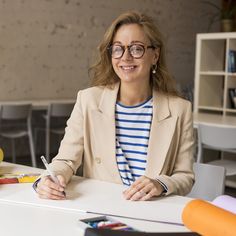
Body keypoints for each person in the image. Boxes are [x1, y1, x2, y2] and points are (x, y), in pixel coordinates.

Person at [35, 11, 194, 201]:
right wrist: (46, 180)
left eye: (136, 48)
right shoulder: (88, 100)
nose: (125, 57)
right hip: (102, 209)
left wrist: (161, 183)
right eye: (118, 48)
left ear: (155, 55)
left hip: (153, 211)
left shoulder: (180, 110)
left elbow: (185, 176)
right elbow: (65, 161)